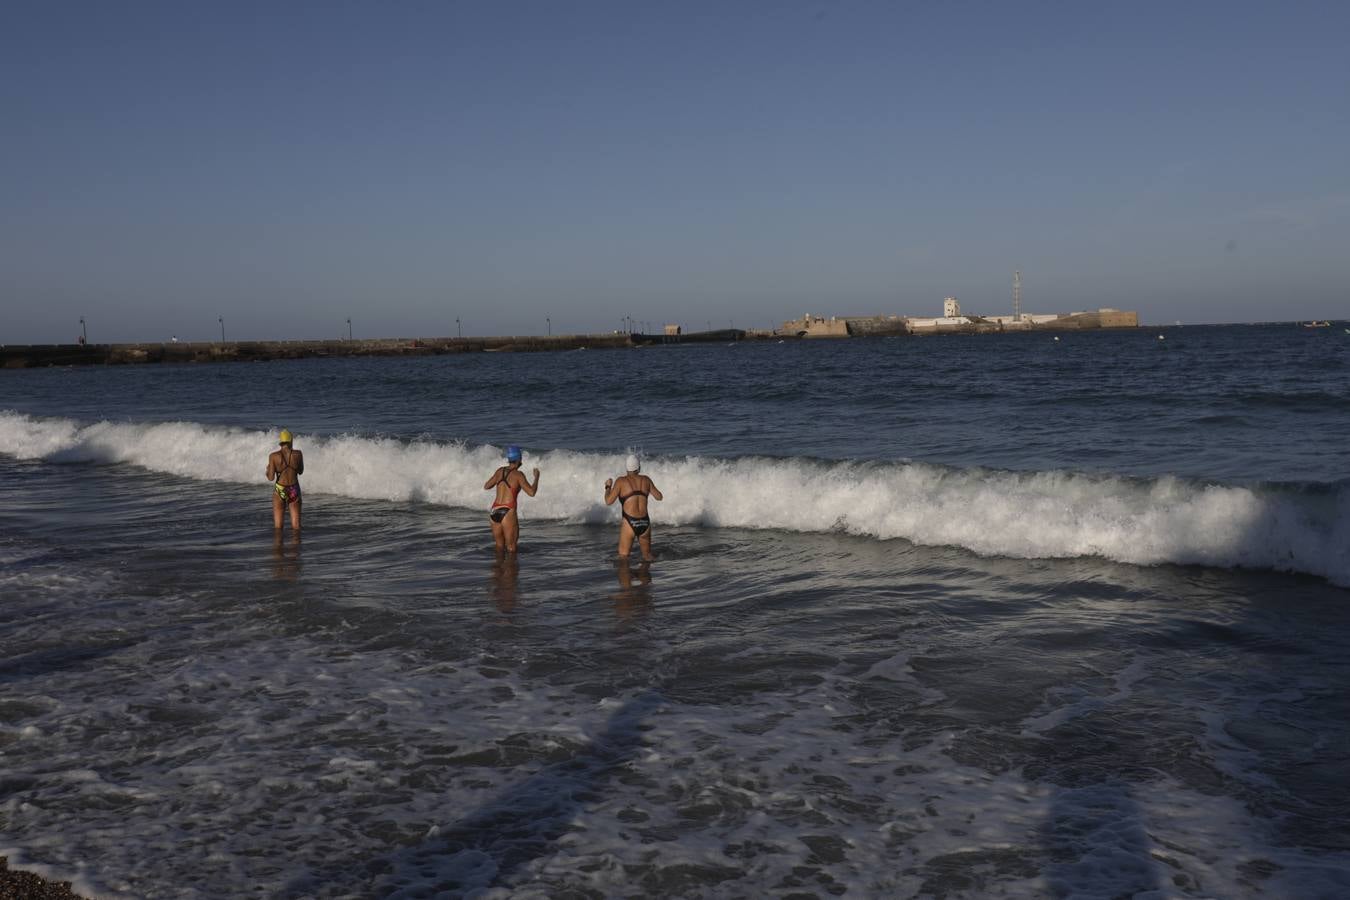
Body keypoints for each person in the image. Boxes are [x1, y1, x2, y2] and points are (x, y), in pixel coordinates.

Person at [604, 454, 663, 561]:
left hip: (629, 523)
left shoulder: (621, 481)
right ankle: (645, 576)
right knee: (647, 557)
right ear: (639, 467)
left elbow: (608, 501)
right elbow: (659, 497)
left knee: (623, 558)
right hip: (645, 523)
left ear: (626, 468)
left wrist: (608, 487)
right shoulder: (646, 480)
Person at [484, 445, 540, 554]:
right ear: (519, 459)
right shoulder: (518, 475)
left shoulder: (499, 471)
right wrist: (537, 477)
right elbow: (531, 493)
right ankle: (511, 570)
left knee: (499, 546)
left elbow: (486, 486)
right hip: (508, 510)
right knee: (511, 548)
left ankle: (498, 569)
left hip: (494, 510)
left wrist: (499, 481)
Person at [266, 429, 304, 532]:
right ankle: (296, 546)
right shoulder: (298, 454)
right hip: (293, 489)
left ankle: (278, 547)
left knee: (278, 527)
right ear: (290, 441)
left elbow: (270, 478)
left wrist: (267, 470)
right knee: (296, 527)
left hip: (280, 489)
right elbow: (300, 471)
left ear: (281, 442)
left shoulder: (273, 456)